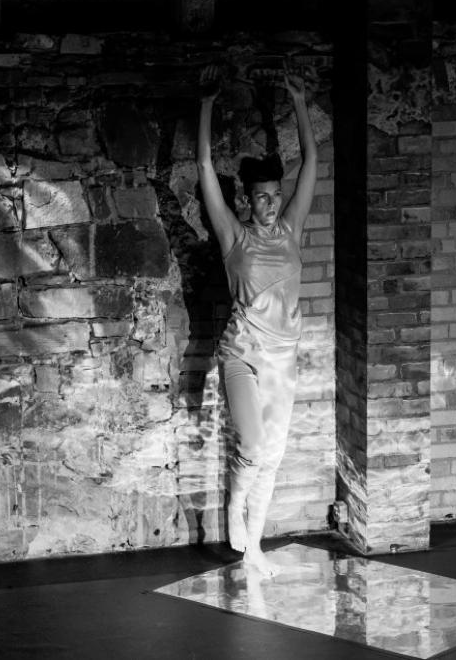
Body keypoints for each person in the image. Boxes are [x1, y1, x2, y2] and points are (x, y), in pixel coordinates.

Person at [196, 62, 317, 577]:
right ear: (247, 200)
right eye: (260, 197)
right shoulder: (235, 237)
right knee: (251, 445)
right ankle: (234, 508)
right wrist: (204, 106)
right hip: (242, 354)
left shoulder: (290, 230)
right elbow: (203, 166)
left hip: (283, 359)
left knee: (273, 455)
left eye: (275, 195)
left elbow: (314, 159)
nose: (269, 205)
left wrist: (301, 106)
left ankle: (254, 545)